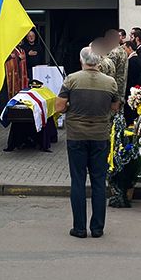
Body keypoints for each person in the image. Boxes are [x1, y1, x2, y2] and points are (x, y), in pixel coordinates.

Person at [56, 46, 120, 238]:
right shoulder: (110, 82)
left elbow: (59, 107)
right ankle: (97, 227)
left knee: (78, 180)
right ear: (99, 61)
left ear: (81, 60)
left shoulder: (71, 79)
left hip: (76, 135)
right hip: (100, 135)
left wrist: (71, 105)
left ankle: (79, 228)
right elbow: (115, 106)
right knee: (99, 181)